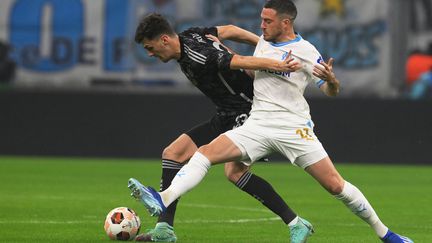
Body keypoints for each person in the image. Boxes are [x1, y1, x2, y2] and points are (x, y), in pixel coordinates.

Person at [128, 1, 414, 243]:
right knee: (204, 154)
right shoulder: (263, 44)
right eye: (261, 20)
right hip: (258, 123)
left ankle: (387, 235)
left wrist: (332, 81)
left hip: (294, 127)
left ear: (285, 22)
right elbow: (241, 49)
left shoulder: (306, 51)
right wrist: (263, 56)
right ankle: (163, 198)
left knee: (336, 186)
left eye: (267, 20)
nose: (261, 25)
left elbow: (329, 90)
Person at [131, 13, 312, 242]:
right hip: (226, 113)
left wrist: (277, 62)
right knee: (173, 154)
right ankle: (164, 230)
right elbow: (229, 29)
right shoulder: (191, 35)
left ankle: (296, 223)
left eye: (150, 47)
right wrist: (262, 43)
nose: (149, 53)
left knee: (235, 173)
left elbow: (241, 61)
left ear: (164, 40)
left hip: (248, 111)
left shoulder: (198, 56)